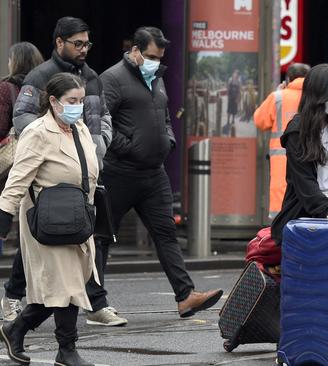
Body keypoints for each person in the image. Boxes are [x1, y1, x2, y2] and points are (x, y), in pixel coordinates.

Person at [2, 16, 120, 327]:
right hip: (50, 188)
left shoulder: (92, 78)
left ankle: (87, 308)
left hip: (83, 182)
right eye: (77, 43)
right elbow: (22, 118)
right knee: (59, 267)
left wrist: (98, 146)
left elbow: (103, 116)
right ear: (59, 43)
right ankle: (61, 337)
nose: (84, 49)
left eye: (87, 44)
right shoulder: (40, 77)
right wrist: (53, 141)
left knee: (75, 262)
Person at [100, 26, 223, 319]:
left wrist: (168, 139)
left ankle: (185, 296)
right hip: (120, 172)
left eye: (160, 56)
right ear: (134, 51)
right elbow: (102, 123)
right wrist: (128, 146)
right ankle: (96, 303)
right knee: (103, 237)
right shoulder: (112, 78)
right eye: (151, 56)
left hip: (154, 173)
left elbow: (165, 114)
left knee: (166, 233)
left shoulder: (155, 77)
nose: (156, 61)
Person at [0, 72, 98, 366]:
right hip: (48, 222)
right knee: (67, 287)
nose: (77, 106)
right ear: (53, 101)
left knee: (63, 286)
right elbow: (16, 181)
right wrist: (3, 221)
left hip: (78, 219)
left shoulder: (79, 128)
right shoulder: (38, 132)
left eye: (81, 100)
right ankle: (66, 350)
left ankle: (15, 330)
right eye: (71, 101)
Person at [270, 63, 328, 246]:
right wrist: (326, 208)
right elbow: (303, 181)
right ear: (317, 94)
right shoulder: (297, 131)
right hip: (303, 216)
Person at [254, 63, 310, 219]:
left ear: (287, 79)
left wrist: (278, 92)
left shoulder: (278, 97)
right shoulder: (314, 97)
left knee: (281, 205)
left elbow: (260, 120)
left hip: (281, 161)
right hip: (309, 158)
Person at [0, 42, 43, 140]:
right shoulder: (47, 86)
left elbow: (1, 127)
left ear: (15, 63)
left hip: (16, 149)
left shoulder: (6, 88)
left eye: (9, 60)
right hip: (42, 144)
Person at [224, 69, 241, 136]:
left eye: (236, 73)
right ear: (233, 73)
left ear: (237, 75)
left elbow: (239, 90)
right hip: (230, 97)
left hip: (235, 97)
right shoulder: (230, 80)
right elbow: (228, 88)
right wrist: (227, 95)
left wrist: (238, 98)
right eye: (234, 73)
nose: (235, 74)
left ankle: (233, 120)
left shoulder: (238, 81)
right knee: (229, 109)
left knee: (234, 109)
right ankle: (228, 120)